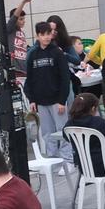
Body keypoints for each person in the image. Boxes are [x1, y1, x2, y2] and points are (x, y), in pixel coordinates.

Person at [22, 21, 71, 157]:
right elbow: (30, 79)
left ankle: (67, 159)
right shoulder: (33, 55)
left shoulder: (57, 53)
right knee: (47, 132)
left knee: (62, 130)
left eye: (48, 34)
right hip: (41, 102)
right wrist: (32, 99)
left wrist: (62, 100)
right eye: (43, 34)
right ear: (37, 36)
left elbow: (65, 78)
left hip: (57, 101)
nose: (46, 37)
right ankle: (52, 157)